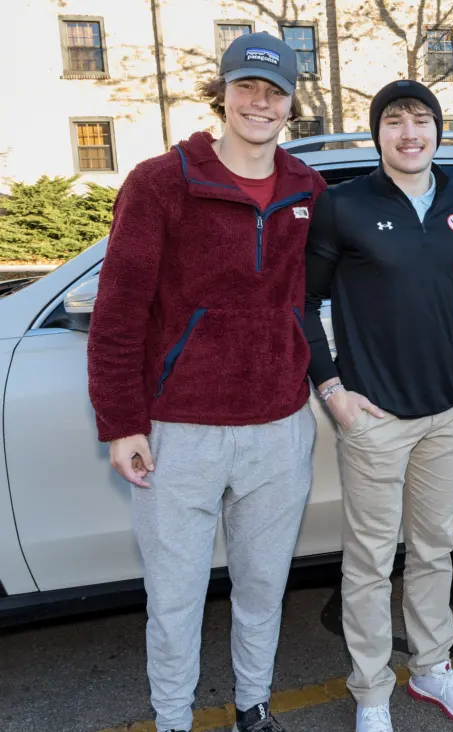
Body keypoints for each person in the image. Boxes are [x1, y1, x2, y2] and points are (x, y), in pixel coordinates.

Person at [86, 32, 326, 732]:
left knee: (262, 589)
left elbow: (315, 298)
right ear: (222, 93)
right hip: (178, 432)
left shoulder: (305, 188)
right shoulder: (161, 183)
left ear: (290, 103)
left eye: (274, 91)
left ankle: (254, 705)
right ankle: (172, 719)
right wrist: (122, 422)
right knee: (175, 597)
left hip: (280, 428)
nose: (260, 101)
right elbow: (119, 312)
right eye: (247, 87)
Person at [302, 80, 453, 732]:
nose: (409, 133)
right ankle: (373, 691)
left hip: (445, 411)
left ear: (439, 130)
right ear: (377, 133)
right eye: (395, 121)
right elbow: (299, 304)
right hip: (373, 417)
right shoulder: (343, 205)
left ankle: (433, 667)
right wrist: (333, 394)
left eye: (421, 121)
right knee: (370, 564)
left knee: (436, 550)